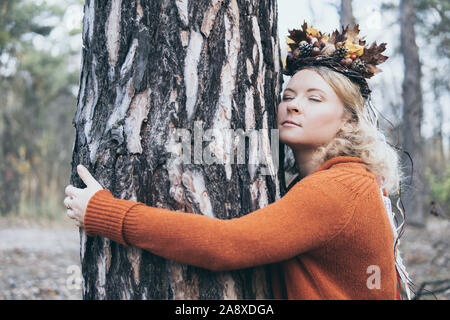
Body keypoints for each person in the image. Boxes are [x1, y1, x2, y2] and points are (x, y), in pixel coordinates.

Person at [64, 23, 411, 299]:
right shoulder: (343, 182)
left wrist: (107, 213)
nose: (293, 105)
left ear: (349, 121)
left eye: (314, 98)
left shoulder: (339, 188)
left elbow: (227, 245)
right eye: (288, 95)